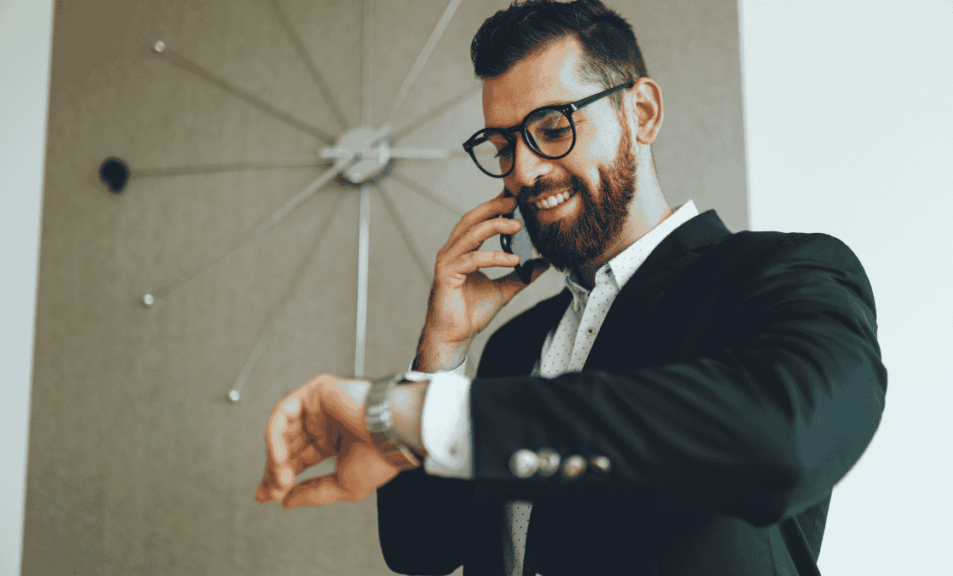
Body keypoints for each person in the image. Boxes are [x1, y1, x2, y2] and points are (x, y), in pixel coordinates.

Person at [254, 1, 887, 575]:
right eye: (502, 146)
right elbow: (421, 550)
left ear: (640, 113)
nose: (524, 170)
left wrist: (419, 416)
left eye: (552, 128)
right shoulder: (511, 349)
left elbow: (787, 441)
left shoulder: (785, 271)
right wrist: (440, 355)